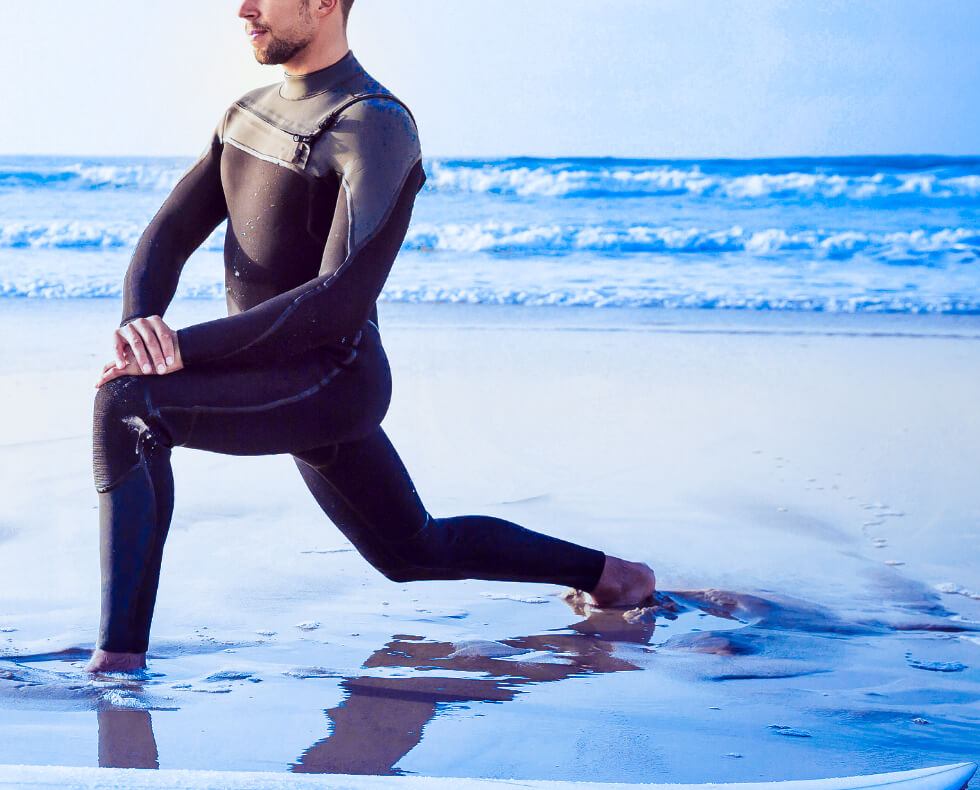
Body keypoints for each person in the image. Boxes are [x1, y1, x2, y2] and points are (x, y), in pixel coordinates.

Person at [88, 0, 655, 674]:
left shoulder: (374, 125)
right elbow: (168, 235)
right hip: (275, 372)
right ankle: (614, 577)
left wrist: (181, 348)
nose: (243, 8)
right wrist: (139, 326)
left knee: (130, 406)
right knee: (413, 552)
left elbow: (338, 302)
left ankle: (118, 661)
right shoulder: (248, 113)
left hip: (333, 377)